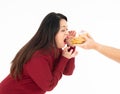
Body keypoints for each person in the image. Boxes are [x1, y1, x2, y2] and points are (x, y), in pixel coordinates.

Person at [0, 12, 78, 94]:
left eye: (67, 29)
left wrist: (71, 46)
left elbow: (68, 71)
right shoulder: (38, 56)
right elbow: (49, 86)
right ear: (51, 33)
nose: (67, 33)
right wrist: (64, 58)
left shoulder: (54, 50)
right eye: (63, 30)